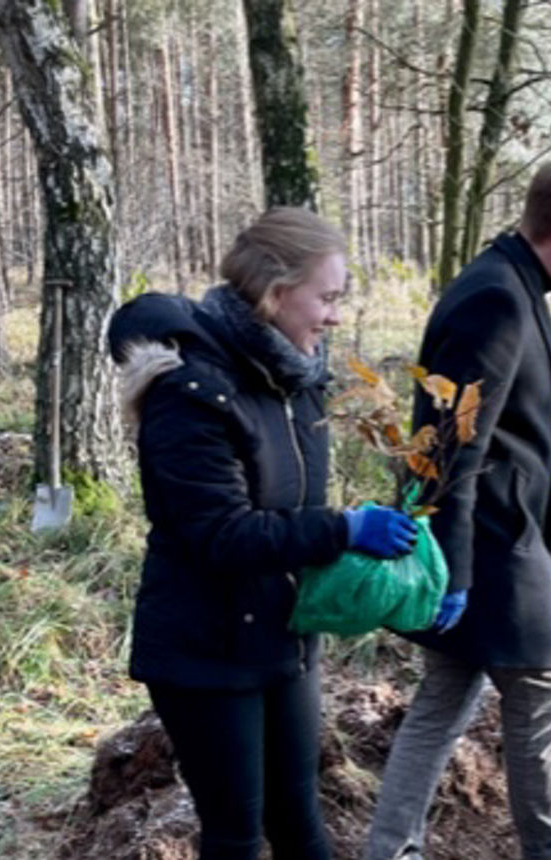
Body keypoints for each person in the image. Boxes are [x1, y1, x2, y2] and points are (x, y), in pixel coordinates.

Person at [109, 207, 419, 860]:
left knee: (301, 821)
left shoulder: (296, 381)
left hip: (282, 635)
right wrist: (342, 530)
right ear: (276, 293)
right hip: (205, 647)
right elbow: (220, 533)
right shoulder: (191, 390)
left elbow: (290, 507)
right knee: (237, 838)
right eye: (327, 298)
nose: (335, 316)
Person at [364, 157, 551, 860]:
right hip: (486, 546)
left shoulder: (509, 282)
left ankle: (389, 850)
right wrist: (453, 570)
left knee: (446, 694)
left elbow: (499, 428)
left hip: (500, 524)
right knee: (542, 691)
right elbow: (451, 447)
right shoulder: (498, 300)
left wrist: (547, 483)